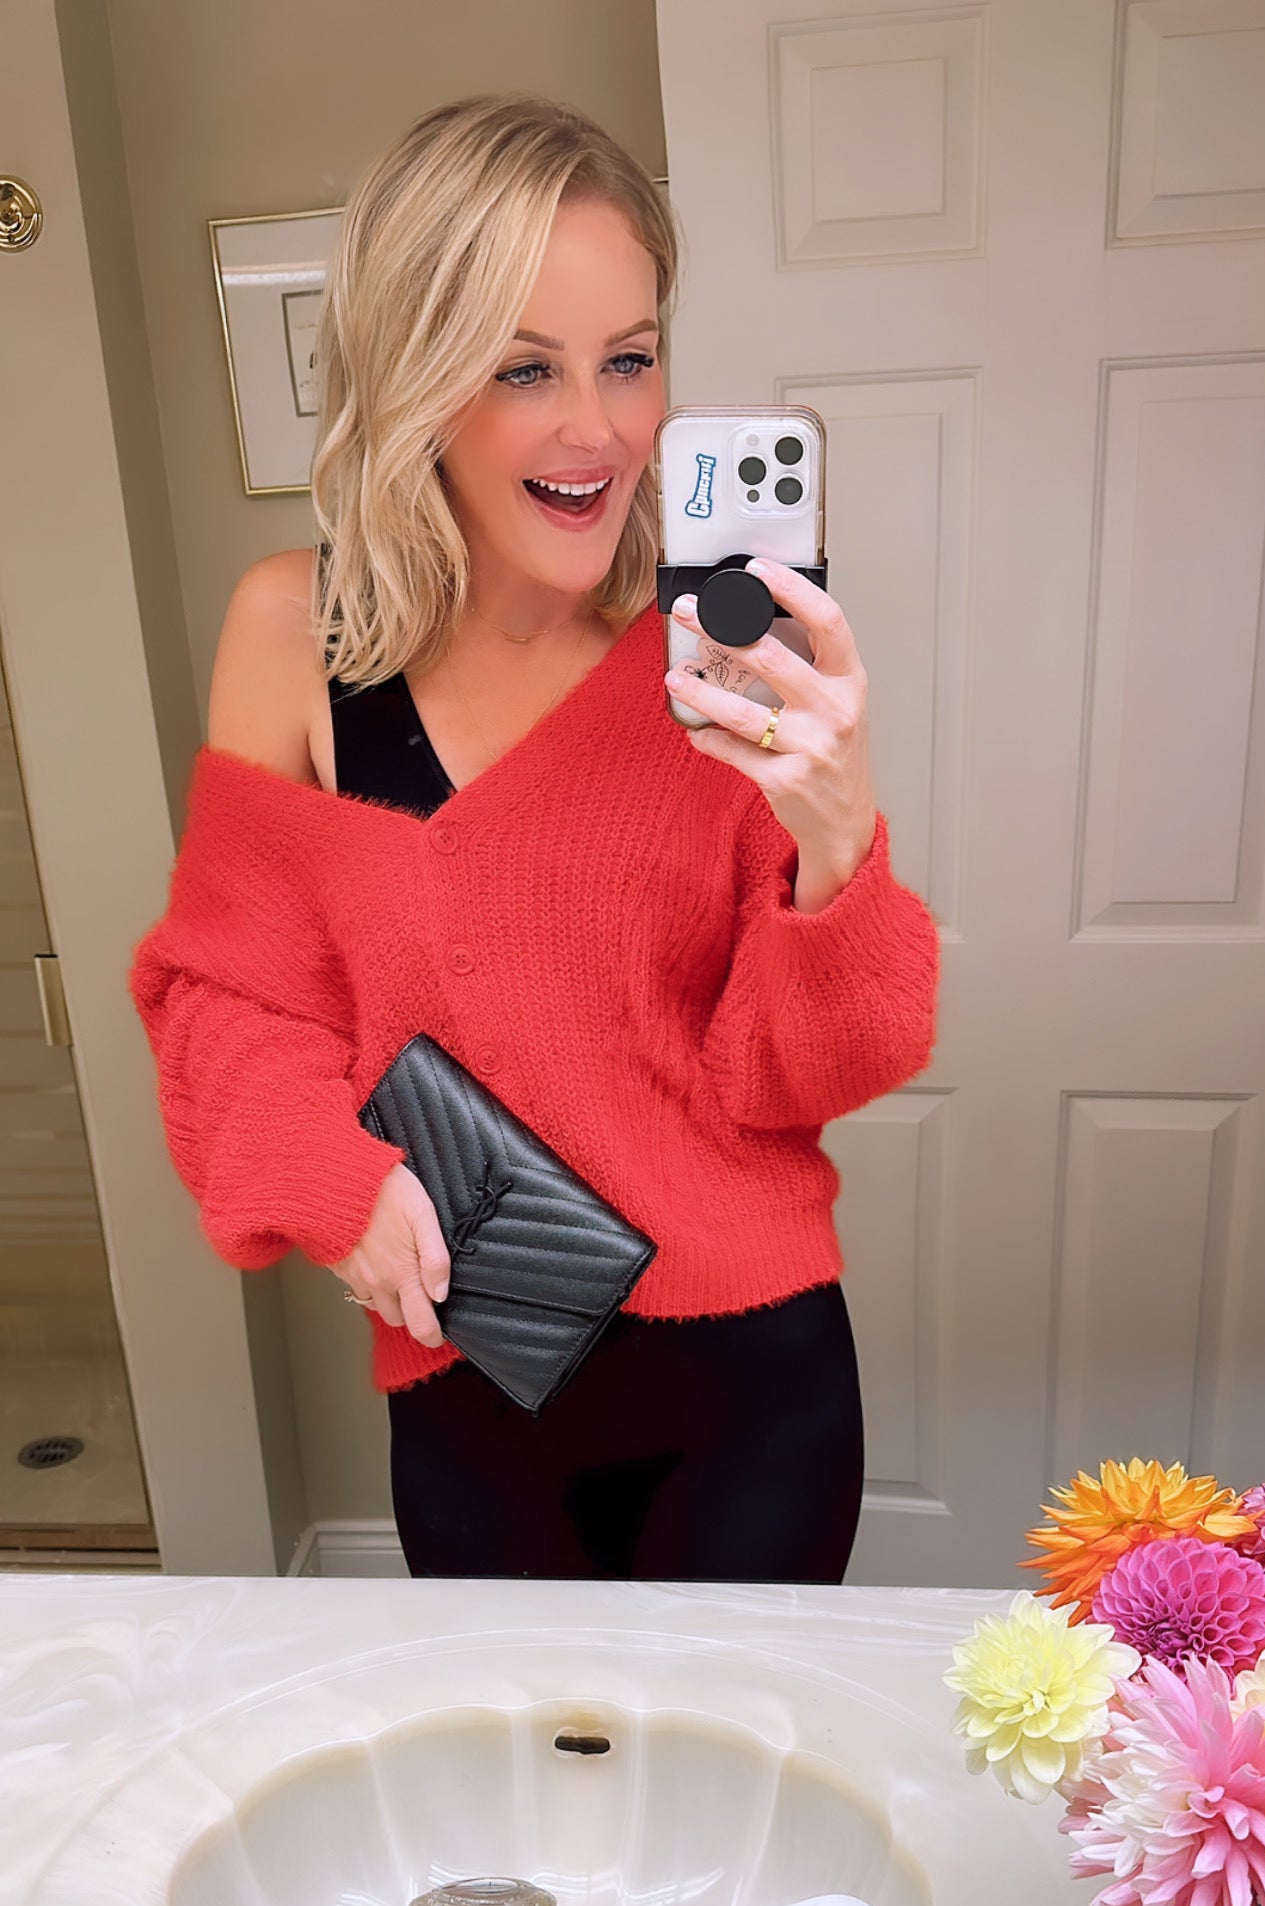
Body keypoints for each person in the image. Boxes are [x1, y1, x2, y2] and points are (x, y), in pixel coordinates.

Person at [129, 95, 940, 1584]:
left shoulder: (719, 644)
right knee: (510, 1747)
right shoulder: (297, 634)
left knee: (726, 1744)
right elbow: (225, 998)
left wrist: (838, 848)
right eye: (524, 368)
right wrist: (330, 1180)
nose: (599, 429)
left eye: (629, 358)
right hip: (473, 1378)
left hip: (751, 1389)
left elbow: (800, 1074)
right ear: (417, 378)